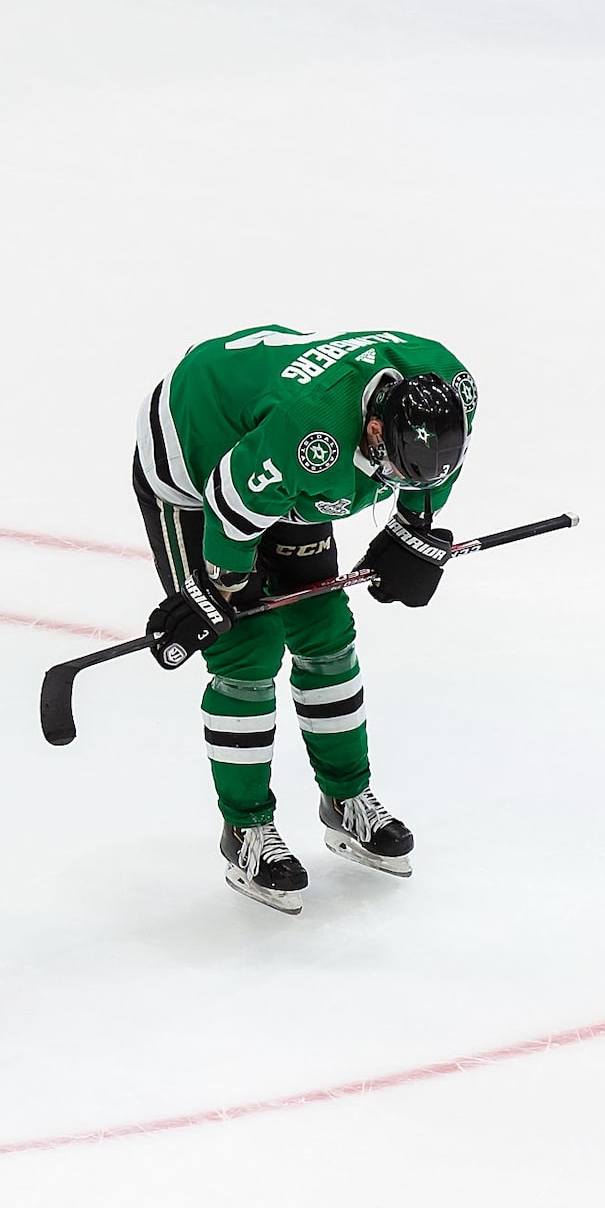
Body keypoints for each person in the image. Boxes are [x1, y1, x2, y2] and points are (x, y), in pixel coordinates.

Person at [130, 324, 475, 913]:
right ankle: (244, 831)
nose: (387, 484)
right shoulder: (309, 432)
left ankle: (346, 801)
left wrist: (414, 527)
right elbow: (232, 500)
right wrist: (223, 591)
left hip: (270, 444)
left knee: (326, 633)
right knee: (245, 650)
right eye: (389, 468)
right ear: (373, 427)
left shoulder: (451, 385)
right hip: (194, 455)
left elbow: (438, 470)